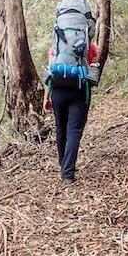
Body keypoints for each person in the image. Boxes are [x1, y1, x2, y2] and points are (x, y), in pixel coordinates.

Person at [42, 26, 99, 184]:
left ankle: (63, 164)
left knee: (61, 127)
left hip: (58, 90)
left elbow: (50, 71)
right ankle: (67, 173)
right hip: (79, 90)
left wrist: (46, 97)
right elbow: (92, 66)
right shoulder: (90, 47)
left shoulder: (56, 47)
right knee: (74, 130)